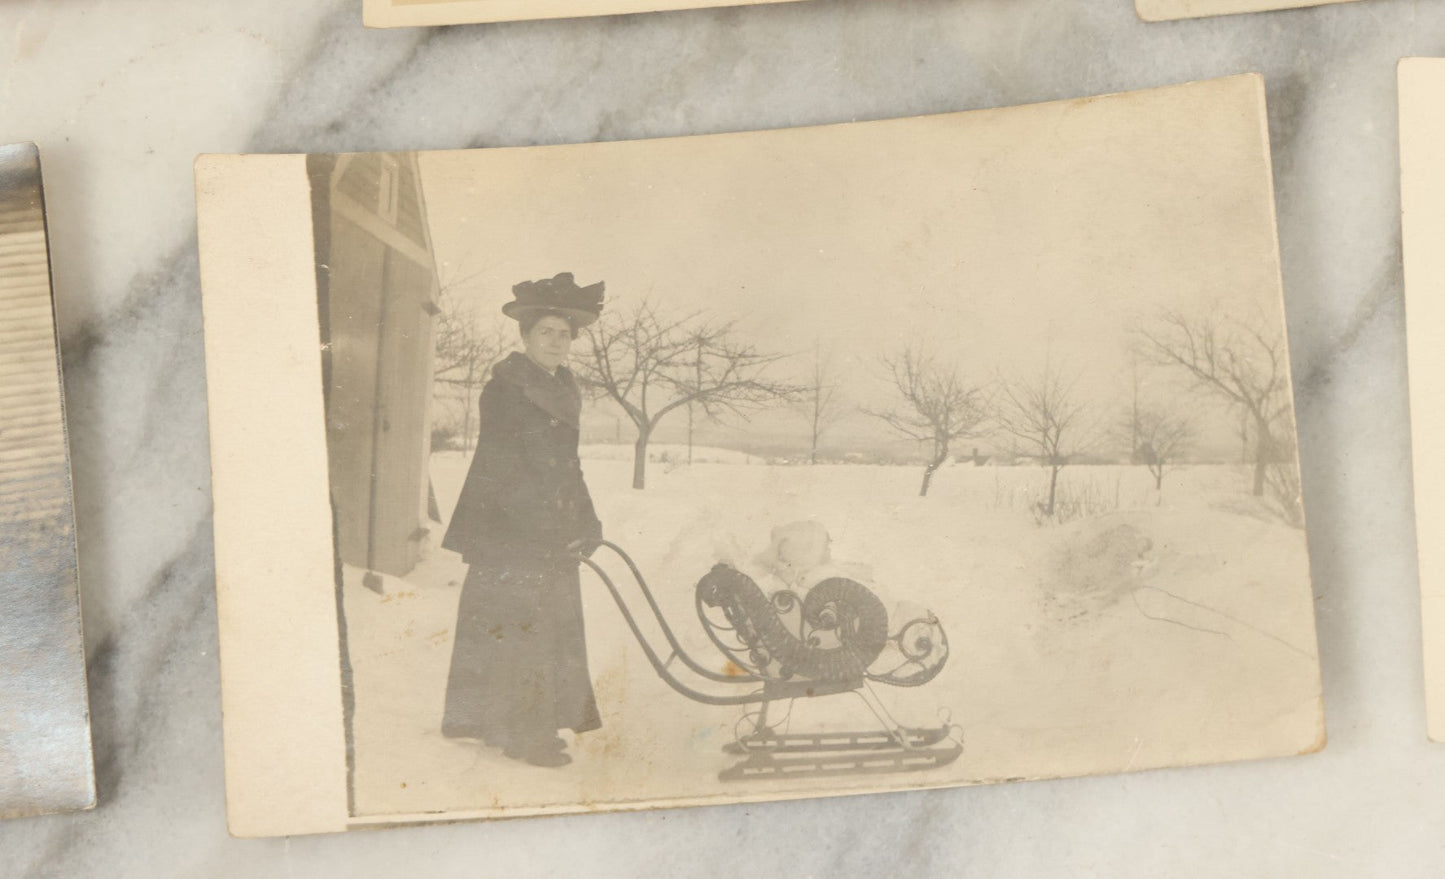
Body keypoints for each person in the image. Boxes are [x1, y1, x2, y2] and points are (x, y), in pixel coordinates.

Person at [440, 272, 606, 767]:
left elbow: (564, 466)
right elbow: (503, 469)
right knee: (521, 628)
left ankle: (516, 723)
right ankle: (522, 734)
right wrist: (544, 527)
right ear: (526, 337)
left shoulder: (561, 387)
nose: (556, 342)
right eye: (545, 333)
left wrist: (586, 521)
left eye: (563, 334)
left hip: (546, 530)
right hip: (510, 531)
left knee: (542, 627)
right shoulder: (507, 390)